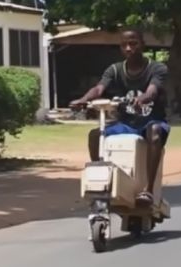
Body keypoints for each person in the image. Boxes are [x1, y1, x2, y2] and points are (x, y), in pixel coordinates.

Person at [69, 28, 170, 208]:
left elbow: (153, 90)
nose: (129, 48)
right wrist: (84, 100)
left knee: (154, 132)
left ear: (143, 45)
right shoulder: (115, 70)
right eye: (124, 45)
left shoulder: (157, 68)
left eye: (133, 43)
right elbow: (99, 89)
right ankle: (100, 184)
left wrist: (144, 98)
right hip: (126, 124)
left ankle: (147, 190)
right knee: (95, 135)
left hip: (152, 122)